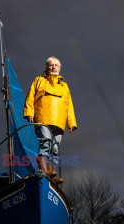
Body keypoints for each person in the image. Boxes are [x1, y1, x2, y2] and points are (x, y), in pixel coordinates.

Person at [24, 56, 77, 184]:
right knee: (45, 141)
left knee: (56, 148)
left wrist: (71, 122)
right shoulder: (39, 80)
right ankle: (44, 170)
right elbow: (30, 97)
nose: (54, 67)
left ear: (59, 68)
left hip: (59, 120)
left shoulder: (64, 86)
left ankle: (51, 174)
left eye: (56, 65)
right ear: (46, 67)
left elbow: (69, 104)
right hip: (43, 117)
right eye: (51, 65)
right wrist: (29, 112)